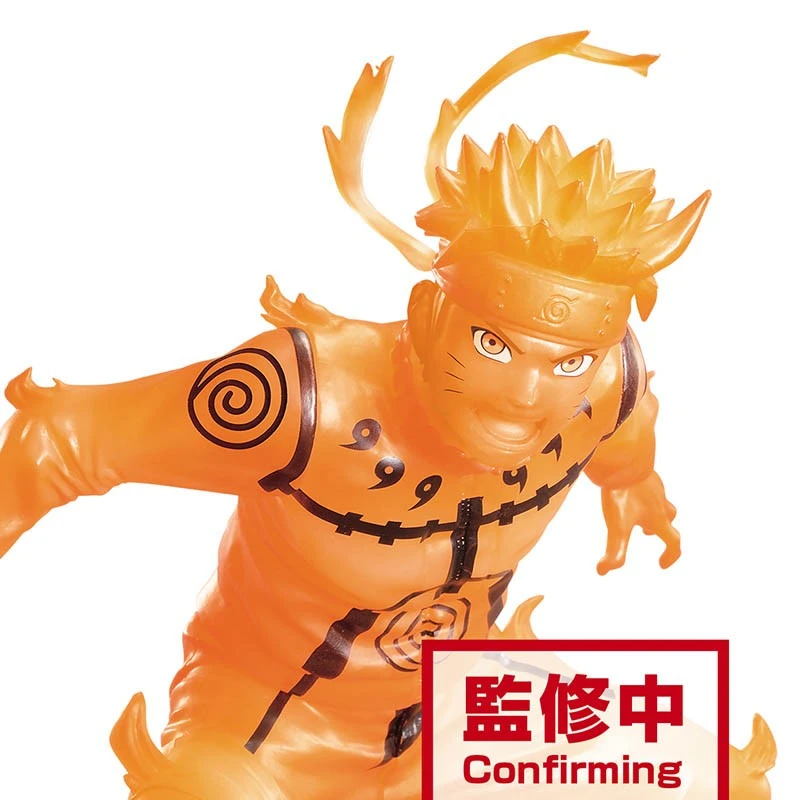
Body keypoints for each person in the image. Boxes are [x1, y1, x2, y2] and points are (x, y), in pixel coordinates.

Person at [0, 32, 773, 799]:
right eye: (494, 344)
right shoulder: (302, 397)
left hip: (472, 702)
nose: (526, 395)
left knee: (729, 782)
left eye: (567, 361)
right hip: (273, 721)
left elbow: (624, 428)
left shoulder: (607, 381)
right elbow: (64, 437)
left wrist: (633, 485)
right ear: (429, 313)